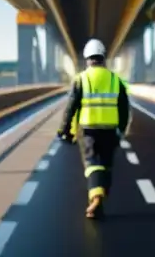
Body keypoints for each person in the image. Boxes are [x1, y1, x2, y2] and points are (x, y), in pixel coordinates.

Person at [58, 38, 130, 219]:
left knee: (92, 164)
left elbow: (71, 107)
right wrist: (121, 130)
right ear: (103, 58)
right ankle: (100, 200)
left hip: (88, 129)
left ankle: (95, 198)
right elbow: (124, 108)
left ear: (87, 59)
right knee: (106, 165)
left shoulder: (81, 79)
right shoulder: (116, 79)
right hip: (110, 130)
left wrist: (64, 130)